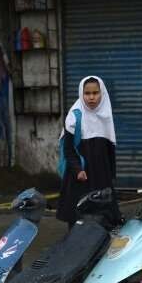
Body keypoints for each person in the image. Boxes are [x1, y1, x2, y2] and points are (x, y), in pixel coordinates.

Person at [56, 75, 118, 228]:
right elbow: (68, 149)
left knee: (104, 216)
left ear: (101, 93)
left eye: (95, 93)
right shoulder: (74, 117)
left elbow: (110, 148)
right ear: (81, 94)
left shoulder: (106, 115)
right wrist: (78, 170)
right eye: (87, 93)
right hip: (80, 177)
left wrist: (111, 174)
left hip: (101, 176)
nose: (91, 97)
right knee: (78, 217)